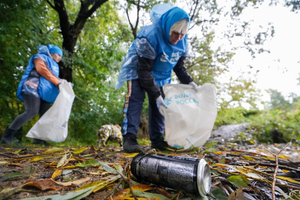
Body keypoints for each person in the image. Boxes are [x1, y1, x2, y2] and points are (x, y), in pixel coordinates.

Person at [115, 4, 198, 153]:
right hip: (140, 70)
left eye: (182, 34)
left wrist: (191, 83)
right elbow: (144, 71)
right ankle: (130, 138)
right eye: (175, 33)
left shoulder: (183, 43)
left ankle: (157, 140)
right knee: (135, 100)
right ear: (168, 27)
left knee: (160, 106)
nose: (178, 38)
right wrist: (156, 94)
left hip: (162, 75)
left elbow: (179, 68)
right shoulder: (151, 36)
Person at [1, 44, 67, 145]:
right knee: (31, 111)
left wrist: (63, 84)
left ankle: (39, 139)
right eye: (59, 55)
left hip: (43, 93)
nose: (60, 58)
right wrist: (58, 82)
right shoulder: (39, 57)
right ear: (52, 53)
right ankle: (7, 137)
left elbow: (52, 78)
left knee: (46, 115)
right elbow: (42, 70)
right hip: (31, 89)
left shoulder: (55, 66)